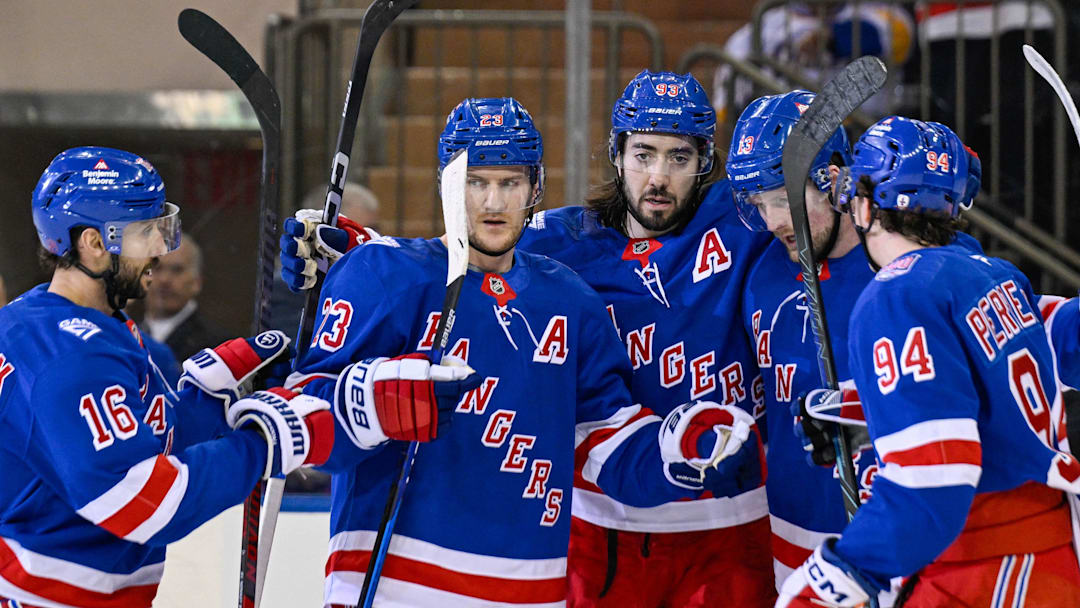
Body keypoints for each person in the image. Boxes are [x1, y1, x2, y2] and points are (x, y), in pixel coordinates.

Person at [282, 74, 777, 607]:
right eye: (475, 181)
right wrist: (361, 266)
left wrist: (680, 446)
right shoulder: (409, 271)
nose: (493, 201)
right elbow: (309, 415)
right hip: (437, 573)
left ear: (535, 186)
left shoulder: (575, 293)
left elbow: (601, 430)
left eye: (511, 182)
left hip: (562, 574)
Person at [0, 146, 333, 607]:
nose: (161, 247)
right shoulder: (70, 359)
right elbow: (143, 503)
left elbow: (140, 446)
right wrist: (262, 447)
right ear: (93, 244)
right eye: (145, 232)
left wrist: (203, 405)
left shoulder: (88, 325)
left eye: (162, 227)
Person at [776, 117, 1080, 607]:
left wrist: (841, 575)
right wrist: (865, 408)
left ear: (863, 203)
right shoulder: (994, 275)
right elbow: (1039, 357)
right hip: (1044, 560)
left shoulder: (897, 296)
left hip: (983, 570)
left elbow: (933, 484)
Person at [727, 91, 988, 607]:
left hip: (904, 542)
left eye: (782, 197)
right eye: (758, 204)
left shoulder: (925, 267)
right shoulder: (762, 276)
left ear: (837, 176)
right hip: (791, 535)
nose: (774, 220)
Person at [142, 232, 231, 362]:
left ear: (197, 282)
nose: (164, 279)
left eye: (177, 270)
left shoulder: (217, 348)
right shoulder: (124, 337)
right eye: (157, 268)